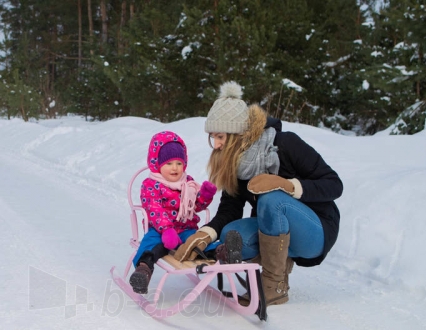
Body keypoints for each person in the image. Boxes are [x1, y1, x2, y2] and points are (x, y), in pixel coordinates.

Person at [174, 81, 343, 306]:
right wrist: (206, 234)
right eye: (213, 137)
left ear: (236, 134)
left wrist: (289, 185)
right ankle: (279, 268)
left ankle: (274, 284)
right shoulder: (234, 163)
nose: (216, 145)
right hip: (275, 229)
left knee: (272, 199)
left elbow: (334, 184)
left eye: (221, 137)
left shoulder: (285, 143)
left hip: (316, 229)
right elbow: (230, 209)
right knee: (230, 233)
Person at [129, 131, 217, 294]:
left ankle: (219, 251)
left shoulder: (188, 183)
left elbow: (195, 207)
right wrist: (166, 230)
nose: (175, 168)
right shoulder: (150, 185)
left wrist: (205, 196)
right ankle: (143, 270)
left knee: (196, 241)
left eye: (178, 163)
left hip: (185, 228)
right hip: (159, 229)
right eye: (169, 163)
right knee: (150, 244)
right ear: (158, 164)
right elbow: (154, 208)